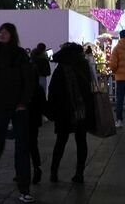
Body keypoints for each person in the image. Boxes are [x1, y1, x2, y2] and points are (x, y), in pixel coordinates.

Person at [0, 23, 37, 203]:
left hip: (18, 107)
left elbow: (29, 79)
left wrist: (23, 101)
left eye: (5, 32)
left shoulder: (19, 54)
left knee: (22, 148)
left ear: (12, 35)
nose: (1, 34)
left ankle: (24, 188)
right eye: (0, 31)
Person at [49, 42, 96, 186]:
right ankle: (79, 173)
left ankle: (53, 172)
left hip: (64, 110)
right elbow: (89, 87)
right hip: (81, 110)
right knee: (81, 141)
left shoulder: (61, 68)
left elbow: (53, 90)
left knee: (60, 142)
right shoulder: (83, 65)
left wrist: (52, 110)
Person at [29, 43, 52, 183]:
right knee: (33, 145)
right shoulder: (43, 59)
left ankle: (20, 170)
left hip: (24, 118)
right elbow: (48, 72)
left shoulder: (32, 58)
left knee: (22, 147)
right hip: (34, 119)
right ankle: (36, 167)